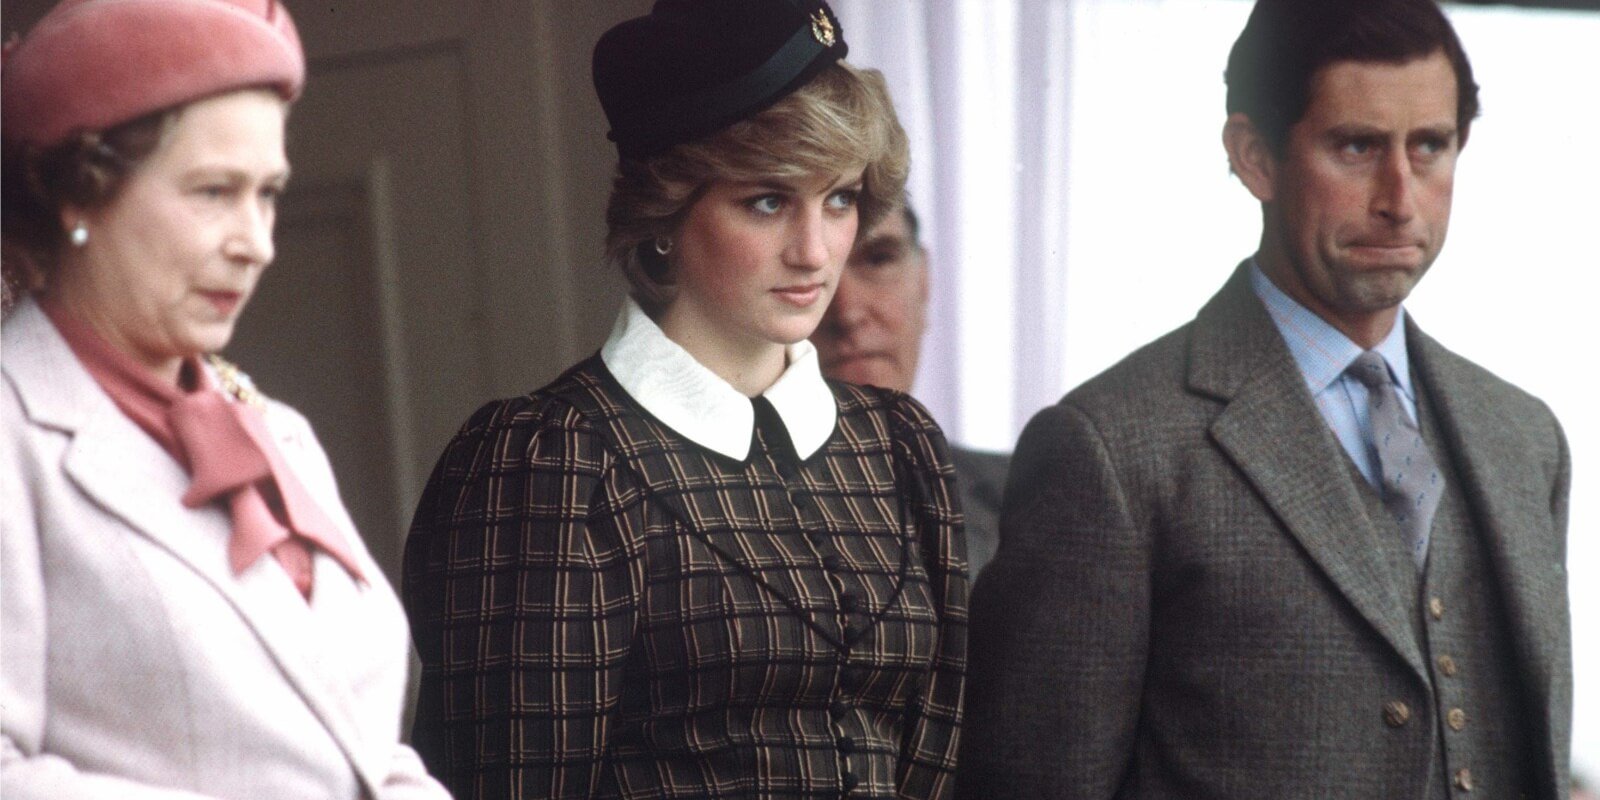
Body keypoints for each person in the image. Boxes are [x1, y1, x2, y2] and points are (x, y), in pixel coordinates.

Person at [958, 0, 1571, 797]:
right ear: (1254, 157)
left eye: (1430, 147)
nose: (1401, 196)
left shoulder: (1526, 439)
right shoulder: (1109, 447)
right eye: (1357, 146)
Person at [401, 2, 967, 798]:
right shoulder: (555, 461)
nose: (815, 251)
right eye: (767, 201)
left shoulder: (898, 445)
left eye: (838, 198)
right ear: (666, 214)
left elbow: (935, 757)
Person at [0, 1, 450, 797]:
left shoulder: (279, 433)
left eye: (269, 193)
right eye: (213, 191)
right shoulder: (12, 435)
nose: (258, 242)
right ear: (79, 192)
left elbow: (357, 749)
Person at [813, 202, 1009, 576]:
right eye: (808, 274)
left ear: (924, 281)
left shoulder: (1024, 499)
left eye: (878, 259)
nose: (848, 312)